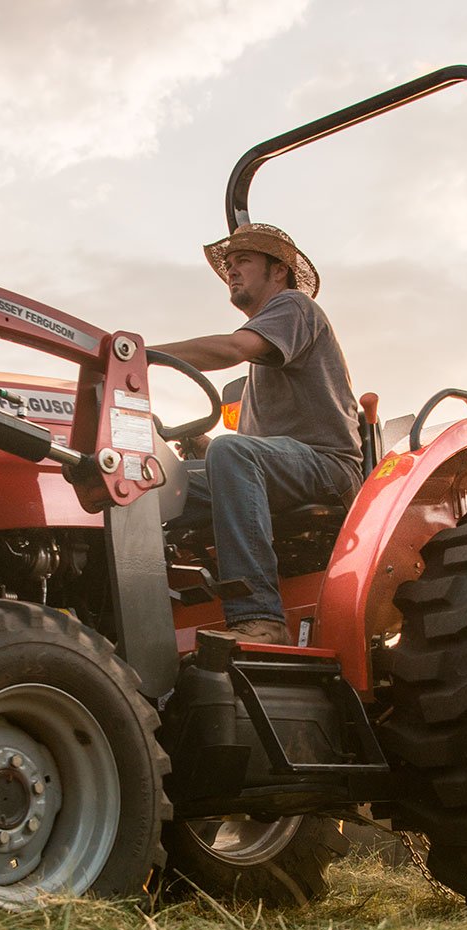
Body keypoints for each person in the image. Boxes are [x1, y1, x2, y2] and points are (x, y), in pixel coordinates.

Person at [149, 223, 361, 646]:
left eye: (242, 260)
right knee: (155, 482)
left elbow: (230, 349)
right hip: (281, 466)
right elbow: (255, 452)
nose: (232, 271)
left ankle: (260, 616)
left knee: (231, 453)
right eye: (228, 264)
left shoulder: (294, 307)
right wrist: (200, 451)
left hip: (329, 466)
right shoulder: (267, 350)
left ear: (278, 270)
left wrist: (140, 354)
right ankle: (132, 615)